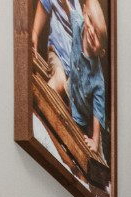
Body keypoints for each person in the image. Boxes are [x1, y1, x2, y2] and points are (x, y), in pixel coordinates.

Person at [36, 0, 108, 159]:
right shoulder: (78, 25)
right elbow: (70, 12)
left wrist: (95, 141)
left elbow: (98, 110)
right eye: (89, 21)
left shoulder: (97, 79)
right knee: (59, 86)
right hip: (72, 91)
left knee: (94, 145)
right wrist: (66, 5)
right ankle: (39, 113)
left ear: (102, 51)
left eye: (97, 35)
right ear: (84, 14)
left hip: (84, 111)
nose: (91, 31)